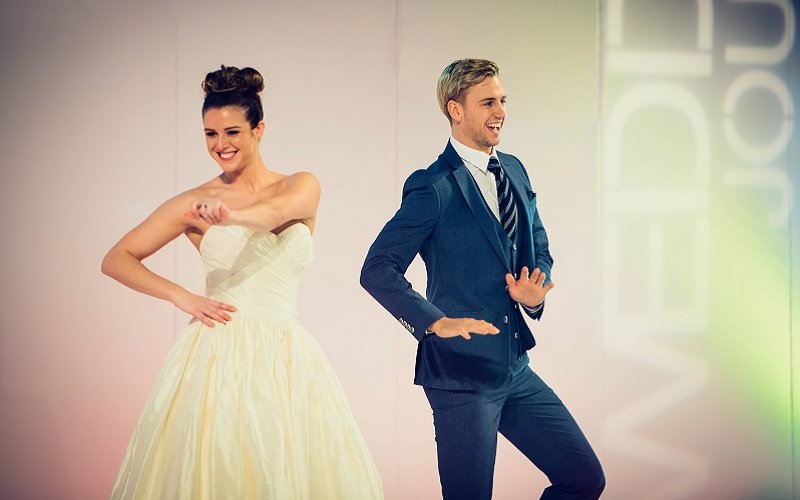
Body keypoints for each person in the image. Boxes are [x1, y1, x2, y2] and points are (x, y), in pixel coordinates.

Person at [102, 65, 383, 499]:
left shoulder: (300, 185)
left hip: (288, 358)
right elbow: (117, 258)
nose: (220, 145)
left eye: (231, 132)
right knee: (222, 472)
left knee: (287, 471)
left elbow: (274, 215)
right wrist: (183, 296)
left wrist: (231, 216)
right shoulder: (194, 202)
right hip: (218, 356)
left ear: (259, 129)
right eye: (210, 134)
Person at [360, 59, 605, 499]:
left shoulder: (513, 168)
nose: (501, 111)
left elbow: (540, 248)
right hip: (459, 377)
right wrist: (434, 322)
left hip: (513, 368)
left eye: (503, 100)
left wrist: (533, 295)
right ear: (456, 110)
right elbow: (377, 269)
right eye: (488, 102)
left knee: (584, 479)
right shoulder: (432, 186)